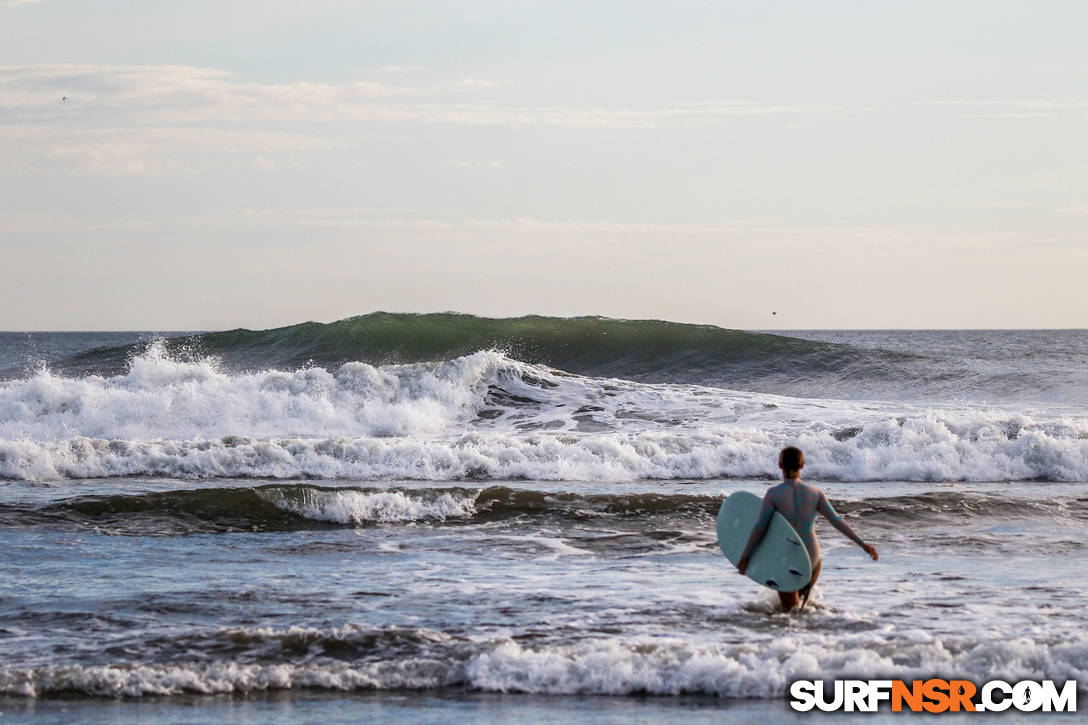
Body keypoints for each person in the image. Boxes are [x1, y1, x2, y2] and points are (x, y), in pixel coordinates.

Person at [737, 446, 878, 612]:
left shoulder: (774, 494)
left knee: (789, 613)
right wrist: (863, 544)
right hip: (812, 558)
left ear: (780, 465)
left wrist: (746, 557)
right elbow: (836, 521)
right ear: (802, 465)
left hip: (788, 558)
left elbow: (760, 528)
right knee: (800, 610)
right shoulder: (814, 492)